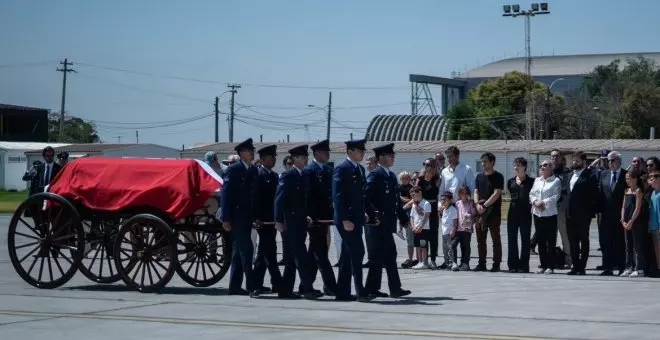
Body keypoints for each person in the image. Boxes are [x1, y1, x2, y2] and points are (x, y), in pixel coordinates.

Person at [274, 145, 323, 300]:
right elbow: (279, 199)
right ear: (294, 159)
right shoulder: (288, 175)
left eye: (306, 157)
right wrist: (278, 220)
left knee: (291, 258)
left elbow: (303, 200)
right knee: (300, 257)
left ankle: (285, 290)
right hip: (290, 222)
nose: (306, 159)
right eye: (302, 157)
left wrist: (307, 215)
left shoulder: (304, 175)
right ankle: (307, 289)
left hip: (300, 221)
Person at [364, 143, 411, 298]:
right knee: (377, 258)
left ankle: (394, 288)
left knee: (390, 256)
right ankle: (372, 288)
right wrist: (373, 214)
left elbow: (395, 200)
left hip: (387, 225)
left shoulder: (390, 175)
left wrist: (403, 218)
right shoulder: (375, 174)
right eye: (391, 156)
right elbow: (365, 197)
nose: (393, 158)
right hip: (377, 224)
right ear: (382, 158)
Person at [332, 138, 374, 302]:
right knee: (358, 252)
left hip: (356, 218)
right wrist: (344, 219)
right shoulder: (342, 169)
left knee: (347, 254)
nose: (363, 153)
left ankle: (342, 291)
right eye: (360, 150)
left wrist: (366, 212)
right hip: (346, 220)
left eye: (363, 150)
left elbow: (361, 196)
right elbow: (338, 197)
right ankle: (360, 291)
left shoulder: (360, 170)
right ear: (350, 152)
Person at [221, 138, 260, 297]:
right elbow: (226, 194)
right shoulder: (234, 169)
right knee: (248, 249)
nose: (252, 154)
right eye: (250, 151)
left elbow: (253, 196)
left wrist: (255, 216)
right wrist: (225, 218)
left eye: (252, 151)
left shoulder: (252, 170)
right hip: (236, 217)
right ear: (242, 153)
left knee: (238, 252)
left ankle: (234, 287)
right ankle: (252, 286)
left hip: (247, 217)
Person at [300, 140, 337, 296]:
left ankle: (305, 285)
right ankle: (331, 286)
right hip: (314, 219)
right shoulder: (309, 171)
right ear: (316, 154)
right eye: (324, 152)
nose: (328, 154)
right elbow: (306, 196)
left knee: (314, 253)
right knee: (320, 253)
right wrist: (308, 215)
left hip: (325, 219)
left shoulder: (328, 170)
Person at [252, 144, 283, 294]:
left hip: (272, 220)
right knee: (265, 251)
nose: (274, 159)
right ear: (263, 159)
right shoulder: (259, 175)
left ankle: (267, 283)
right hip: (263, 220)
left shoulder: (274, 176)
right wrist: (256, 217)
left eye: (275, 157)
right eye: (272, 157)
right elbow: (255, 199)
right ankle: (260, 284)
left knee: (268, 252)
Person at [566, 152, 598, 275]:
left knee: (583, 240)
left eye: (577, 161)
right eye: (574, 161)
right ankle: (575, 266)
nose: (575, 163)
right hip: (570, 213)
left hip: (584, 214)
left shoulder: (590, 175)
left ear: (583, 162)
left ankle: (582, 266)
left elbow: (594, 195)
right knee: (572, 241)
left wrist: (590, 210)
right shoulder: (569, 175)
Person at [597, 151, 627, 276]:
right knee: (606, 242)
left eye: (613, 160)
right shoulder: (603, 175)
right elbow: (600, 193)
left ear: (619, 161)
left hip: (621, 215)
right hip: (605, 215)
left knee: (620, 242)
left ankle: (621, 267)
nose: (610, 163)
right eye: (608, 160)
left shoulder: (626, 175)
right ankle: (607, 267)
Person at [529, 159, 561, 274]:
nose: (542, 167)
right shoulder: (537, 180)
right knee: (541, 241)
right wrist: (535, 202)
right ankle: (542, 265)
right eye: (540, 166)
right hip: (537, 213)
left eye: (545, 165)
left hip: (550, 214)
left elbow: (556, 196)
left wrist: (543, 202)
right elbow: (532, 193)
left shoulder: (556, 181)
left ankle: (550, 266)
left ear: (551, 167)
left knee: (550, 241)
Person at [473, 152, 504, 272]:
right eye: (482, 161)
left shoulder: (498, 177)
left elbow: (496, 193)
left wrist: (484, 205)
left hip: (493, 213)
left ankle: (496, 264)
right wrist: (477, 204)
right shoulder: (479, 177)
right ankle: (481, 263)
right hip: (480, 213)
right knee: (480, 240)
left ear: (492, 162)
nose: (483, 163)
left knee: (495, 239)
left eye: (485, 161)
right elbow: (476, 191)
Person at [506, 157, 535, 273]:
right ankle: (513, 265)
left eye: (518, 165)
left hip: (525, 213)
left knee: (525, 240)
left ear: (524, 167)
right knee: (512, 239)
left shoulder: (531, 181)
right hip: (512, 212)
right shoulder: (510, 181)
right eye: (514, 165)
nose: (516, 167)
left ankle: (523, 266)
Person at [620, 169, 648, 277]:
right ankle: (629, 267)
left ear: (635, 179)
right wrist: (623, 220)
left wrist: (631, 220)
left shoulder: (638, 191)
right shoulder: (626, 191)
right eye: (626, 179)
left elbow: (637, 208)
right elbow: (623, 207)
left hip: (636, 221)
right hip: (626, 221)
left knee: (637, 245)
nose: (628, 181)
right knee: (628, 246)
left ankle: (639, 268)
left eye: (630, 178)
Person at [417, 158, 441, 269]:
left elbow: (439, 193)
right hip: (422, 208)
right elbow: (415, 193)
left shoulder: (437, 179)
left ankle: (433, 260)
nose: (428, 167)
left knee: (433, 235)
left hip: (433, 208)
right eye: (426, 165)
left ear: (434, 166)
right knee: (423, 234)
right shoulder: (420, 179)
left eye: (430, 165)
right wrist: (416, 206)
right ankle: (424, 260)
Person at [398, 171, 417, 268]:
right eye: (403, 178)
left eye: (407, 178)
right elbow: (396, 196)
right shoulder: (399, 187)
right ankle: (400, 229)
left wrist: (405, 200)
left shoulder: (411, 188)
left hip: (411, 212)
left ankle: (413, 258)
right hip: (402, 212)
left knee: (411, 239)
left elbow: (413, 198)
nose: (405, 180)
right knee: (410, 238)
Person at [409, 186, 431, 269]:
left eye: (414, 195)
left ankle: (425, 263)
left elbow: (426, 216)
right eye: (412, 196)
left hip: (424, 229)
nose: (413, 197)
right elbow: (412, 216)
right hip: (416, 228)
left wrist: (421, 226)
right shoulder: (414, 205)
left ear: (420, 193)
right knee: (417, 246)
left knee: (423, 246)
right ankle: (420, 261)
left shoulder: (426, 203)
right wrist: (413, 226)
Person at [453, 186, 475, 271]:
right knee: (453, 244)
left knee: (465, 246)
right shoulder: (457, 203)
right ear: (459, 194)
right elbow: (454, 215)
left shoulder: (470, 203)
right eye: (462, 193)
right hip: (458, 229)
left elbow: (473, 214)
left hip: (467, 229)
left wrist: (470, 217)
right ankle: (454, 262)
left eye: (466, 193)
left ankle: (465, 263)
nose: (464, 195)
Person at [439, 191, 458, 271]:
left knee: (451, 249)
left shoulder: (452, 210)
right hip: (444, 232)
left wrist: (453, 230)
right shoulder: (444, 209)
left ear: (450, 200)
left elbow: (455, 222)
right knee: (445, 249)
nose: (443, 201)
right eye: (442, 199)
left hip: (449, 233)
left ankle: (452, 263)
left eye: (445, 199)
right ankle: (447, 262)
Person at [648, 171, 660, 273]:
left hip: (659, 226)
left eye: (652, 180)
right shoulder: (653, 193)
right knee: (657, 249)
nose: (650, 182)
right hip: (653, 225)